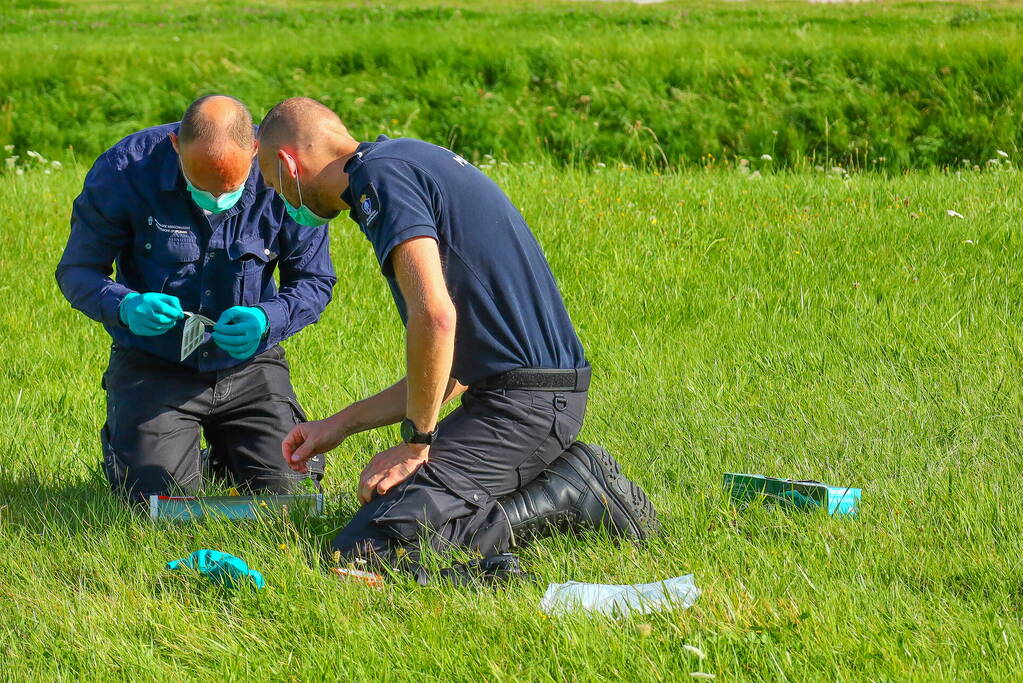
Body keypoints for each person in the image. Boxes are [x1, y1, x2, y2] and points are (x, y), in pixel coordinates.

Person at [256, 97, 658, 583]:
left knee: (362, 554)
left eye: (274, 186)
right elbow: (453, 367)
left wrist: (416, 444)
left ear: (287, 164)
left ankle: (569, 494)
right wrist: (338, 425)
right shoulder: (404, 157)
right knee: (387, 519)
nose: (282, 199)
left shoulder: (379, 183)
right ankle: (565, 482)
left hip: (527, 403)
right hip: (525, 394)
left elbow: (435, 317)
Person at [55, 95, 336, 503]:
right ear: (175, 147)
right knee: (159, 504)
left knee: (288, 499)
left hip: (250, 366)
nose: (217, 200)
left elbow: (314, 279)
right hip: (155, 364)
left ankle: (227, 454)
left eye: (231, 189)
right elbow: (77, 271)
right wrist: (125, 306)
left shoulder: (285, 173)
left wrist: (267, 319)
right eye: (199, 185)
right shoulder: (125, 171)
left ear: (256, 150)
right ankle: (157, 450)